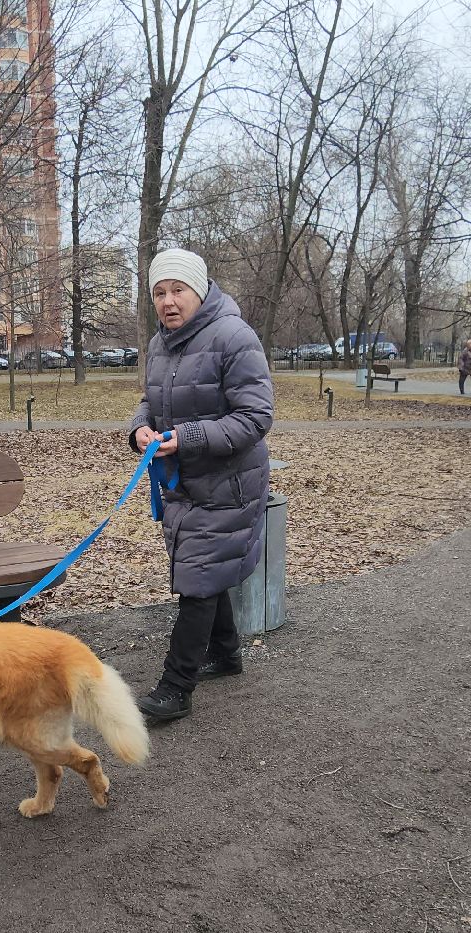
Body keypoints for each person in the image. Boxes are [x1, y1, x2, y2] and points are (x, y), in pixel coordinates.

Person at [127, 248, 274, 724]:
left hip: (231, 483)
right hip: (185, 483)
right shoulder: (160, 343)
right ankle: (226, 653)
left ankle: (176, 687)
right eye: (159, 292)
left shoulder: (234, 336)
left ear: (200, 289)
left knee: (197, 578)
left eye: (178, 290)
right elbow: (151, 401)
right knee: (205, 571)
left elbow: (256, 417)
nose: (168, 301)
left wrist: (185, 437)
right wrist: (141, 429)